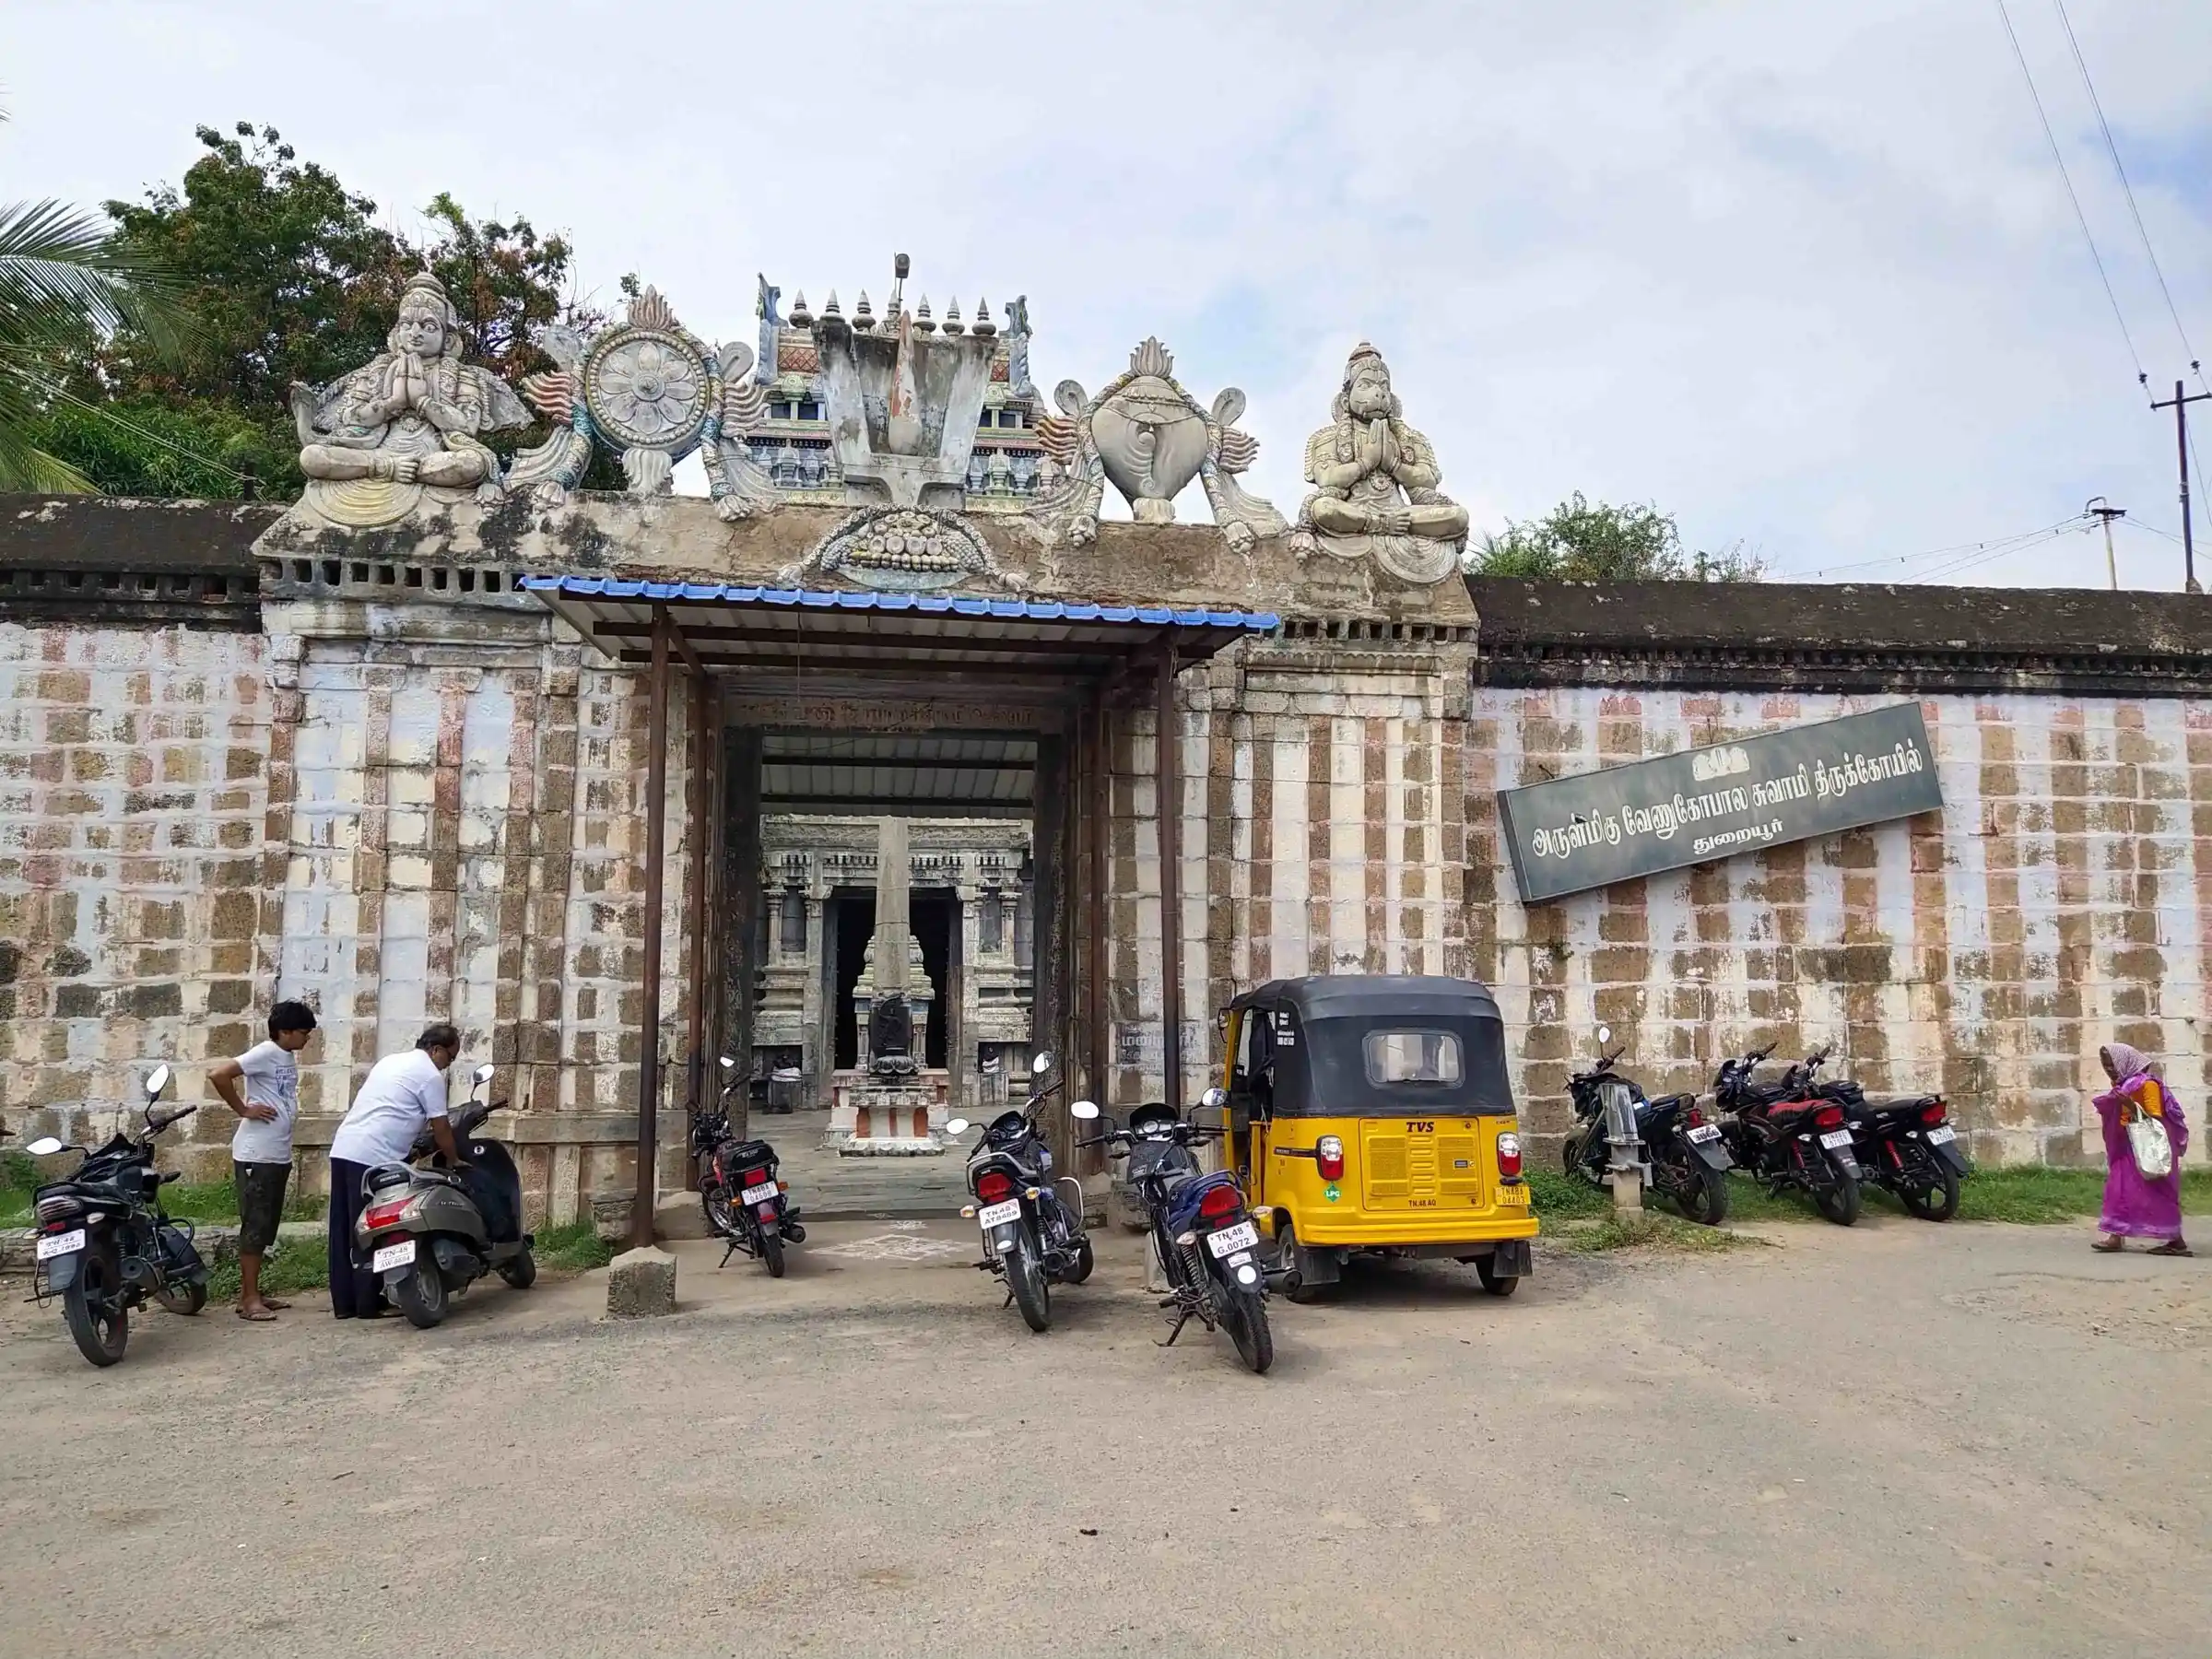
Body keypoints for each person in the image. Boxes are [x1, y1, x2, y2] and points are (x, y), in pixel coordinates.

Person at [325, 1024, 465, 1319]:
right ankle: (368, 1304)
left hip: (345, 1148)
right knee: (374, 1229)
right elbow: (440, 1126)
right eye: (450, 1058)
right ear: (436, 1050)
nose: (447, 1065)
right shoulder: (429, 1075)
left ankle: (345, 1304)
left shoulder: (390, 1061)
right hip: (374, 1158)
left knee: (344, 1229)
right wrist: (453, 1159)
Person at [207, 1000, 319, 1322]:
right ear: (284, 1031)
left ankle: (252, 1294)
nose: (307, 1039)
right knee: (255, 1226)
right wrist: (243, 1109)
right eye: (303, 1032)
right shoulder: (265, 1052)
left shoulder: (284, 1057)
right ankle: (249, 1299)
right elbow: (219, 1075)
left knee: (266, 1225)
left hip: (276, 1154)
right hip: (257, 1153)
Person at [2092, 1041, 2191, 1256]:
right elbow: (2125, 1117)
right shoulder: (2124, 1087)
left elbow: (2156, 1119)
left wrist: (2128, 1106)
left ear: (2125, 1062)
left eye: (2112, 1064)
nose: (2109, 1069)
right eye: (2106, 1065)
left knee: (2158, 1192)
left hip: (2151, 1148)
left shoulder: (2148, 1085)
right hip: (2130, 1147)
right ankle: (2115, 1236)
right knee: (2118, 1189)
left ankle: (2176, 1241)